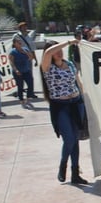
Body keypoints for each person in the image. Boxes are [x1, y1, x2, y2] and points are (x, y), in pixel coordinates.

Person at [40, 39, 90, 185]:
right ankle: (63, 165)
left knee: (75, 139)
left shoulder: (69, 64)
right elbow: (48, 52)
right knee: (69, 139)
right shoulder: (47, 67)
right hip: (60, 106)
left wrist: (84, 98)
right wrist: (68, 42)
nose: (59, 51)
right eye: (56, 49)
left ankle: (75, 172)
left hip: (76, 103)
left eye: (60, 49)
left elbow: (78, 82)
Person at [9, 36, 36, 108]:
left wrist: (25, 52)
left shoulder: (25, 49)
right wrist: (16, 70)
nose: (20, 42)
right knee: (20, 86)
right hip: (18, 72)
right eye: (18, 42)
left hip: (26, 70)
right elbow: (11, 62)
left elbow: (31, 58)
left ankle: (28, 97)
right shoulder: (13, 52)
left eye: (20, 41)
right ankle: (21, 99)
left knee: (30, 83)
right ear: (14, 44)